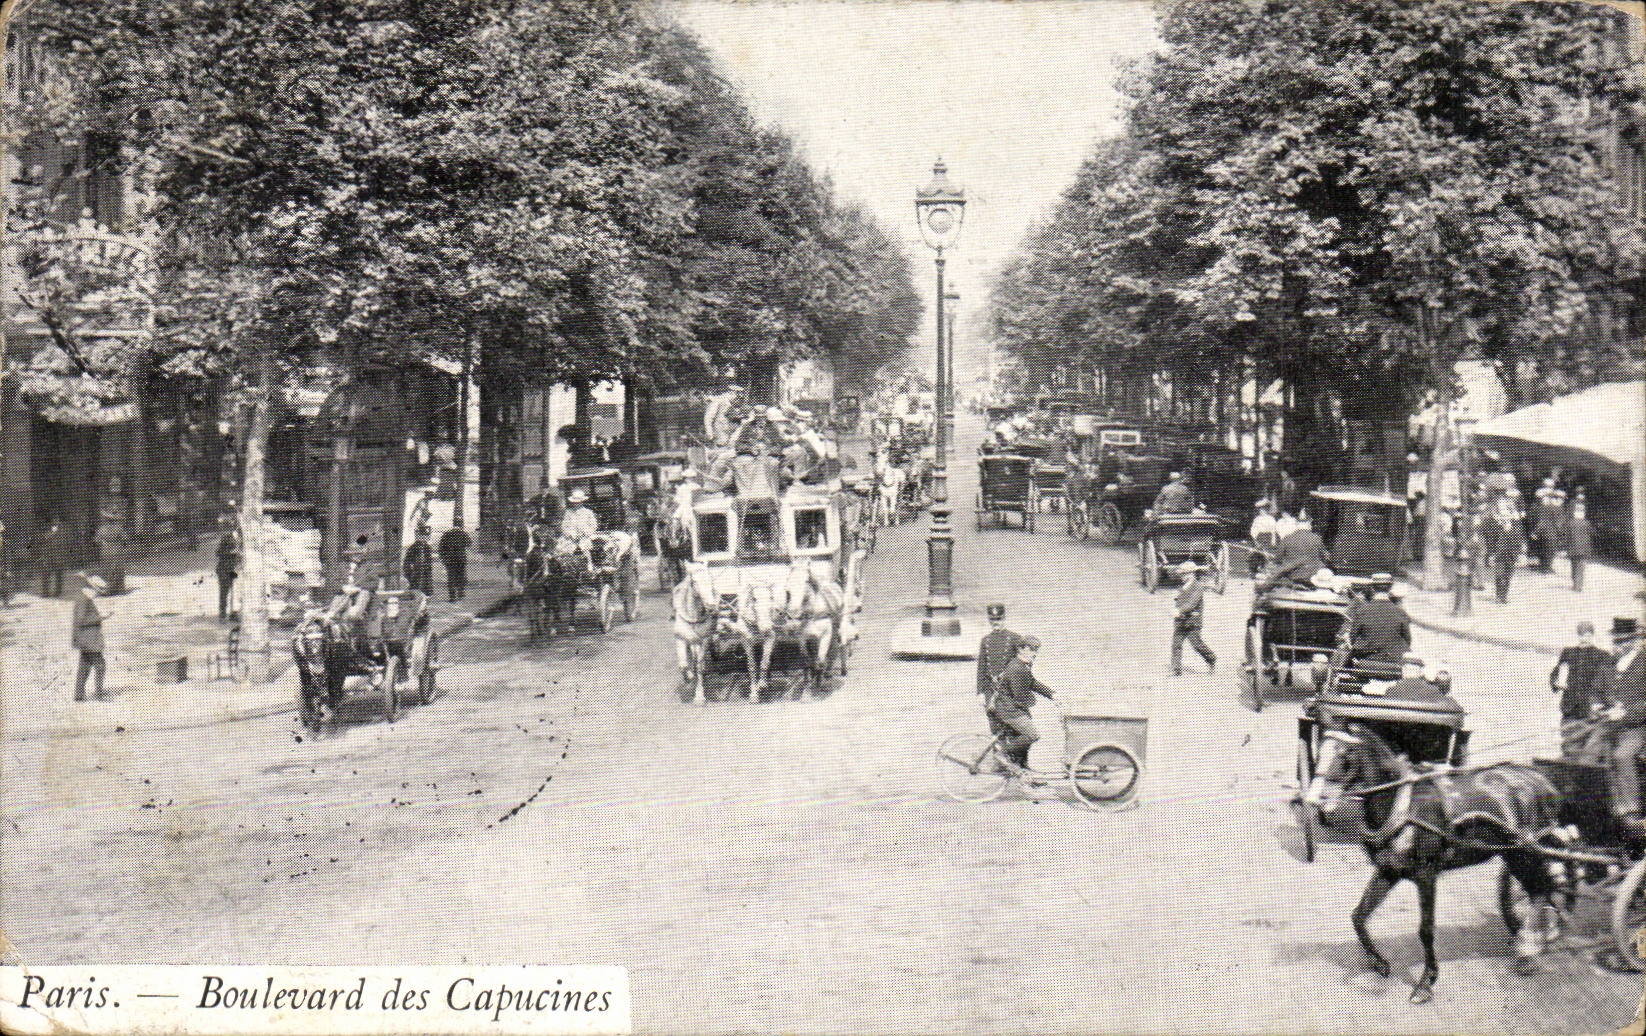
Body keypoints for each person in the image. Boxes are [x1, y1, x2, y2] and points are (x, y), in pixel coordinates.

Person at [1602, 617, 1646, 837]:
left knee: (1621, 755)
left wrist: (1626, 712)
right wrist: (1597, 705)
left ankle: (1630, 809)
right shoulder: (1611, 663)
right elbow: (1596, 689)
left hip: (1638, 727)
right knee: (1582, 753)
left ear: (1635, 641)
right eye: (1616, 641)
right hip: (1610, 724)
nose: (1617, 646)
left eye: (1622, 642)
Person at [988, 635, 1056, 772]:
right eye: (1032, 650)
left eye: (1036, 650)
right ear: (1021, 649)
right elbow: (1020, 697)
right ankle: (1001, 752)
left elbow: (1032, 682)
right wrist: (1034, 701)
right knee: (1032, 735)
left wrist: (1052, 694)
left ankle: (1023, 769)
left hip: (1012, 708)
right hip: (1009, 711)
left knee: (1024, 736)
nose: (1035, 654)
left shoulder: (1021, 665)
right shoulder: (1017, 668)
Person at [1554, 621, 1615, 760]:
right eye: (1581, 635)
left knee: (1589, 751)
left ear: (1592, 635)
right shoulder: (1568, 653)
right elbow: (1556, 673)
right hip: (1570, 709)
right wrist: (1557, 682)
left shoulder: (1602, 655)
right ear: (1578, 635)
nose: (1584, 638)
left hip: (1590, 711)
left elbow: (1607, 683)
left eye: (1587, 635)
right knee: (1568, 747)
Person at [1346, 573, 1411, 669]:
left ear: (1372, 588)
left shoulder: (1362, 611)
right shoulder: (1400, 612)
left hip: (1367, 662)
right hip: (1394, 663)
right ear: (1390, 588)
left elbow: (1353, 638)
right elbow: (1407, 639)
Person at [1258, 517, 1328, 591]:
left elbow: (1277, 559)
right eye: (1310, 524)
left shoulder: (1288, 538)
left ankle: (1265, 590)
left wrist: (1272, 558)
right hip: (1314, 576)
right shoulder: (1316, 538)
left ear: (1297, 525)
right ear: (1308, 524)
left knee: (1277, 575)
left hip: (1295, 576)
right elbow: (1324, 558)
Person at [1171, 562, 1216, 676]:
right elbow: (1179, 601)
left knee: (1196, 644)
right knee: (1176, 645)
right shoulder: (1182, 586)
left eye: (1183, 574)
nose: (1181, 576)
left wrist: (1179, 611)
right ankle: (1176, 670)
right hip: (1181, 621)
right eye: (1181, 574)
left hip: (1192, 622)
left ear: (1191, 574)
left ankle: (1211, 659)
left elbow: (1192, 604)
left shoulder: (1198, 587)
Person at [976, 603, 1027, 699]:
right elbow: (981, 668)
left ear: (1004, 618)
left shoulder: (1015, 638)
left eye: (998, 619)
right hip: (990, 690)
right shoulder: (985, 640)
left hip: (1010, 689)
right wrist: (980, 692)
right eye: (992, 619)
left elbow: (1024, 665)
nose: (995, 622)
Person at [72, 575, 109, 701]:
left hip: (84, 639)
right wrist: (101, 617)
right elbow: (82, 620)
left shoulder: (84, 598)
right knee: (100, 665)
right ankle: (99, 695)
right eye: (98, 592)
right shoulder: (84, 600)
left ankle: (79, 696)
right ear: (92, 589)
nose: (98, 595)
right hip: (89, 640)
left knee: (84, 666)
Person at [1532, 475, 1567, 572]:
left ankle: (1545, 566)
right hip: (1549, 528)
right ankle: (1545, 566)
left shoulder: (1553, 502)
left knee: (1548, 548)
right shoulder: (1548, 499)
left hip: (1546, 528)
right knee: (1548, 548)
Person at [437, 520, 472, 602]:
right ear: (461, 525)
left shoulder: (447, 534)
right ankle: (460, 593)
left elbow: (441, 547)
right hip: (461, 559)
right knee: (461, 576)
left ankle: (452, 597)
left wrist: (444, 558)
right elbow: (469, 543)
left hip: (450, 559)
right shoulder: (463, 533)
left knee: (451, 577)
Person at [215, 519, 242, 622]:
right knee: (224, 592)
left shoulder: (242, 539)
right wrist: (232, 553)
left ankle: (233, 613)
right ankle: (222, 615)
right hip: (225, 569)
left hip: (234, 569)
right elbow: (218, 553)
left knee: (235, 592)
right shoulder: (226, 538)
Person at [1566, 501, 1594, 593]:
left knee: (1573, 566)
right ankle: (1579, 586)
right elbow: (1593, 533)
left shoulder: (1570, 523)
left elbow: (1565, 535)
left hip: (1572, 549)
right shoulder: (1587, 523)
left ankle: (1575, 584)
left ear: (1574, 513)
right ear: (1583, 514)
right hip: (1584, 550)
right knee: (1581, 568)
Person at [1248, 499, 1279, 577]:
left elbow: (1273, 530)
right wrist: (1254, 538)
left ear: (1266, 510)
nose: (1261, 511)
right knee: (1256, 553)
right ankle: (1254, 571)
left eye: (1263, 509)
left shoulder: (1270, 518)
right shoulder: (1257, 519)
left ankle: (1267, 570)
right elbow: (1254, 529)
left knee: (1268, 554)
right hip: (1259, 537)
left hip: (1268, 537)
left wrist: (1273, 539)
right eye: (1260, 510)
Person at [38, 520, 66, 598]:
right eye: (54, 524)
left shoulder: (62, 533)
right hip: (49, 556)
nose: (55, 526)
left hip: (58, 556)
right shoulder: (48, 532)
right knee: (46, 574)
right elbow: (43, 539)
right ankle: (45, 592)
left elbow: (64, 543)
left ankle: (58, 591)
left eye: (56, 524)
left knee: (58, 575)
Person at [402, 526, 434, 594]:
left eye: (424, 537)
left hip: (423, 575)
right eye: (421, 537)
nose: (423, 539)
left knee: (423, 591)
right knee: (416, 590)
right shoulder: (413, 547)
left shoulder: (427, 547)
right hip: (416, 574)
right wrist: (410, 574)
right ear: (418, 536)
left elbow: (429, 562)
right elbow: (407, 563)